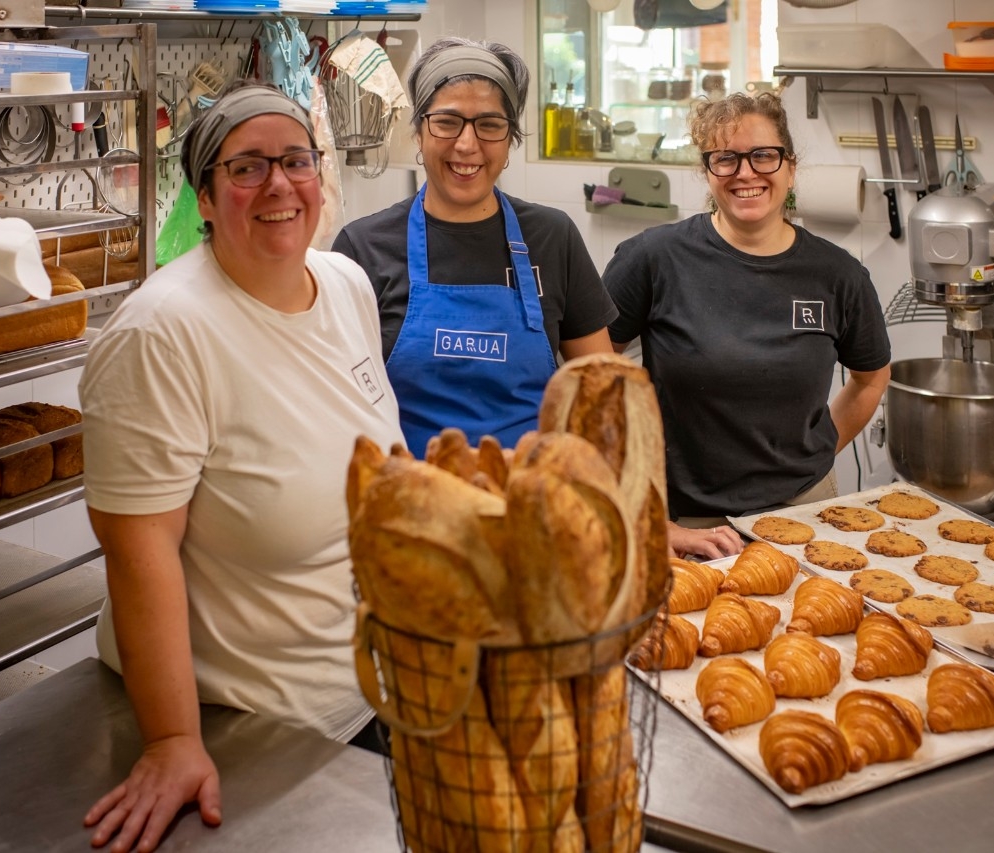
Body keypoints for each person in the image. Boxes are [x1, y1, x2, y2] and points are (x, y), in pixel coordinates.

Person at [79, 82, 404, 853]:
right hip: (255, 723)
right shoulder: (165, 332)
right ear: (205, 195)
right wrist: (171, 741)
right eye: (247, 168)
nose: (279, 185)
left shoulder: (345, 285)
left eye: (295, 161)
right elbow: (138, 548)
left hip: (372, 687)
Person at [603, 91, 891, 561]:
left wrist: (813, 456)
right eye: (726, 159)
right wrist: (640, 508)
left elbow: (872, 378)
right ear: (707, 171)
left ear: (790, 167)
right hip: (686, 521)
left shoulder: (838, 275)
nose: (745, 172)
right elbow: (587, 379)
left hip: (806, 512)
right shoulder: (652, 260)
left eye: (763, 156)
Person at [332, 37, 618, 458]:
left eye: (489, 124)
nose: (467, 145)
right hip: (406, 500)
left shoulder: (553, 237)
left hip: (530, 501)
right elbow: (336, 405)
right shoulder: (363, 247)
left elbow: (603, 400)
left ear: (509, 141)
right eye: (447, 122)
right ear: (418, 130)